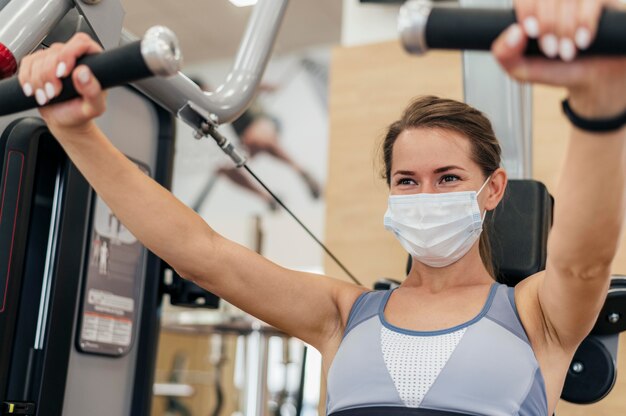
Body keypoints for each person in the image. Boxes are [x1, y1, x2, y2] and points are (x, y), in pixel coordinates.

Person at [16, 0, 626, 414]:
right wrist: (76, 134)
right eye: (407, 181)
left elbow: (584, 260)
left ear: (492, 190)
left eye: (448, 178)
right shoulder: (342, 313)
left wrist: (599, 101)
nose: (425, 197)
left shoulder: (536, 315)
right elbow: (201, 255)